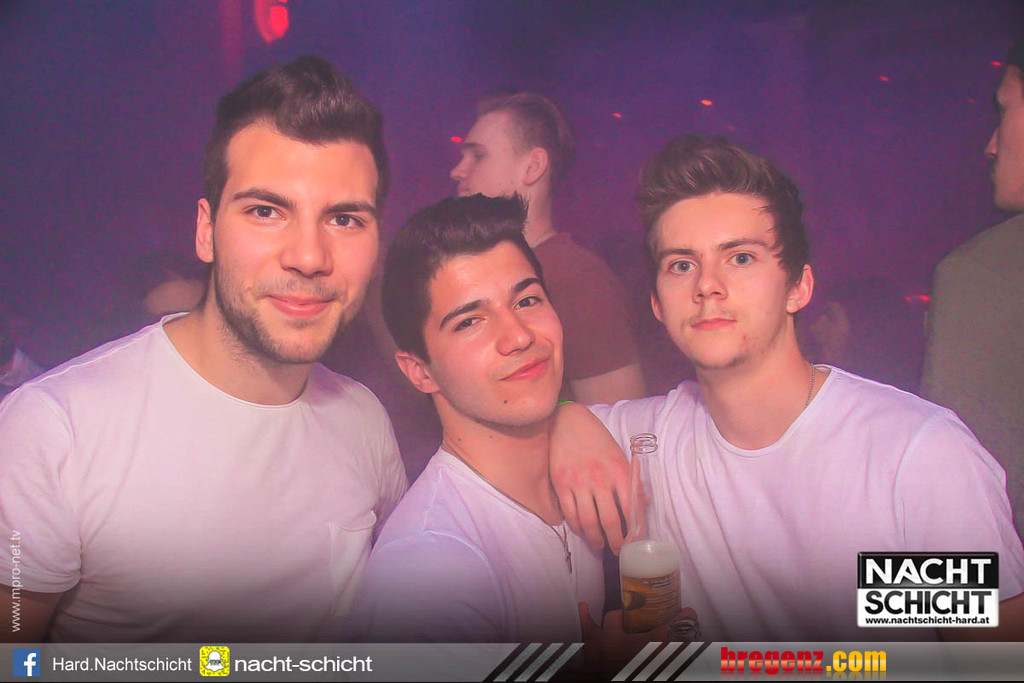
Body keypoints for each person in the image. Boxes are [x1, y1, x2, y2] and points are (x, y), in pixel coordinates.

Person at [0, 56, 408, 643]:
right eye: (266, 211)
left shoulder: (365, 420)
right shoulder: (56, 428)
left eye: (344, 219)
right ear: (206, 230)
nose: (309, 256)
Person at [557, 135, 1024, 642]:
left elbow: (990, 662)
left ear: (798, 287)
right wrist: (564, 416)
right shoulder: (647, 441)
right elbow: (504, 429)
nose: (706, 285)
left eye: (740, 258)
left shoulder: (910, 457)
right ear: (657, 303)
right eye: (682, 265)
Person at [347, 195, 604, 642]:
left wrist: (571, 413)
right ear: (420, 371)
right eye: (470, 322)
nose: (518, 336)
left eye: (527, 300)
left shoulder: (595, 459)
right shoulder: (428, 571)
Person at [450, 92, 645, 405]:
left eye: (478, 156)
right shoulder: (485, 274)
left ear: (533, 167)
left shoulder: (578, 282)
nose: (458, 171)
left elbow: (618, 424)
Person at [922, 36, 1024, 542]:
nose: (991, 144)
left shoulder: (986, 273)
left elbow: (951, 542)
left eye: (1005, 109)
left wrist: (855, 584)